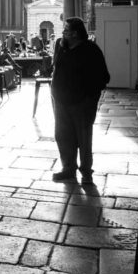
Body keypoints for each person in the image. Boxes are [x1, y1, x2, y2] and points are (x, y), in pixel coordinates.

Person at [50, 17, 110, 184]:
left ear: (75, 33)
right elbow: (56, 68)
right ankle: (68, 168)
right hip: (61, 101)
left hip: (82, 103)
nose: (63, 34)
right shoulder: (60, 47)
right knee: (63, 136)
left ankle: (86, 172)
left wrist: (89, 97)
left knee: (83, 137)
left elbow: (103, 77)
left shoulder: (91, 50)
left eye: (66, 31)